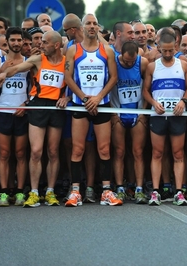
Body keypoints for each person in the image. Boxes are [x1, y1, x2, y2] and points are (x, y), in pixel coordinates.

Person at [0, 31, 68, 207]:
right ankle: (34, 192)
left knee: (53, 151)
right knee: (35, 151)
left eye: (45, 42)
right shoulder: (38, 59)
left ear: (56, 45)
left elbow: (74, 82)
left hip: (57, 107)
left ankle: (50, 192)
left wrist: (68, 97)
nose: (40, 45)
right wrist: (5, 74)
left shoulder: (67, 62)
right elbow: (18, 68)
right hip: (38, 106)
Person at [64, 14, 120, 207]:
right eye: (88, 23)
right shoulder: (73, 50)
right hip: (81, 104)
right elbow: (68, 77)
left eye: (95, 23)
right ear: (82, 27)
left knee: (104, 149)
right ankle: (75, 191)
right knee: (78, 149)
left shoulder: (107, 51)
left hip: (101, 103)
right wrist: (84, 97)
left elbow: (113, 78)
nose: (92, 26)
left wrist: (97, 98)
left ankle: (106, 191)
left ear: (98, 28)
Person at [142, 32, 187, 206]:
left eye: (171, 51)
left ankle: (179, 192)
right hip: (159, 115)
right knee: (157, 153)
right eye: (165, 51)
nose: (168, 54)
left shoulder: (183, 65)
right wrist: (154, 103)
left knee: (178, 153)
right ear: (159, 48)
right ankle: (156, 191)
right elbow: (145, 91)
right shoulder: (152, 67)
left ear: (176, 48)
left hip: (177, 115)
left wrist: (183, 102)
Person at [0, 27, 30, 207]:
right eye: (12, 40)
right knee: (4, 154)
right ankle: (4, 193)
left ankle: (20, 192)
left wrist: (26, 104)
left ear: (22, 41)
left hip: (21, 111)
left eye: (18, 40)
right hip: (3, 111)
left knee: (21, 154)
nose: (15, 43)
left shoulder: (28, 62)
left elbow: (34, 89)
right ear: (8, 41)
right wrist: (2, 70)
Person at [110, 40, 149, 204]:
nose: (129, 63)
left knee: (138, 152)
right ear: (121, 55)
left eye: (132, 61)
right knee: (119, 152)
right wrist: (113, 113)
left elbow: (147, 87)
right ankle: (120, 187)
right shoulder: (113, 63)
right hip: (118, 111)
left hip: (137, 112)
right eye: (126, 61)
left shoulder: (143, 63)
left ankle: (139, 189)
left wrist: (143, 111)